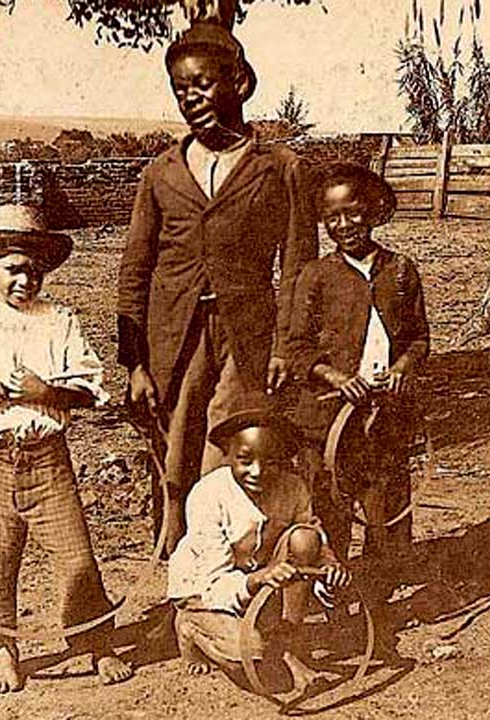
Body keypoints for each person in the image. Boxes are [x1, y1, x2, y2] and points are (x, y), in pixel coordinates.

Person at [116, 21, 318, 555]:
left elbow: (298, 265)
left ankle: (229, 558)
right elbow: (135, 269)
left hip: (247, 333)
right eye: (180, 88)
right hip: (174, 334)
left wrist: (286, 345)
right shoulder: (161, 173)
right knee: (176, 438)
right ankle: (179, 552)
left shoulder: (280, 168)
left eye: (203, 84)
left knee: (231, 435)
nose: (191, 98)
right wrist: (134, 362)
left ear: (240, 83)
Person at [0, 203, 133, 693]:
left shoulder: (59, 321)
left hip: (48, 458)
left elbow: (88, 392)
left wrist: (43, 391)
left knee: (77, 559)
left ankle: (95, 642)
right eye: (12, 270)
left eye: (33, 270)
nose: (24, 280)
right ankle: (5, 650)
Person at [287, 163, 430, 660]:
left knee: (384, 510)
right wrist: (334, 377)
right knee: (331, 510)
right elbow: (297, 348)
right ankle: (333, 609)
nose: (344, 224)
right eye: (332, 217)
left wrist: (404, 367)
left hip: (383, 418)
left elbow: (418, 337)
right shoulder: (315, 276)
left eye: (352, 212)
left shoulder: (401, 270)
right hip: (328, 422)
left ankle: (376, 605)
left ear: (372, 211)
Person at [167, 406, 351, 693]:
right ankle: (190, 626)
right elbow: (214, 584)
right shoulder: (208, 495)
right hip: (206, 590)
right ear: (227, 455)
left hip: (259, 580)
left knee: (305, 539)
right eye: (245, 460)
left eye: (272, 462)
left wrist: (329, 564)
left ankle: (287, 643)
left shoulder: (293, 487)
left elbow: (312, 532)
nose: (258, 472)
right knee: (254, 658)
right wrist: (258, 578)